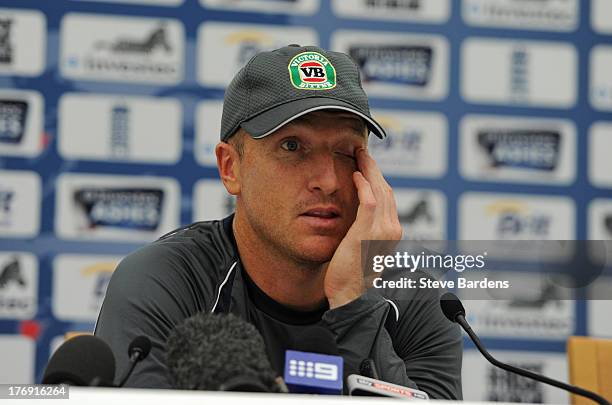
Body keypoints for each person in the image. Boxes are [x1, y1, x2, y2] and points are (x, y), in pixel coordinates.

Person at [94, 45, 462, 398]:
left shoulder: (418, 297)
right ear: (231, 168)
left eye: (346, 152)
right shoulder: (168, 280)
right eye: (291, 146)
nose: (329, 181)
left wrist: (354, 301)